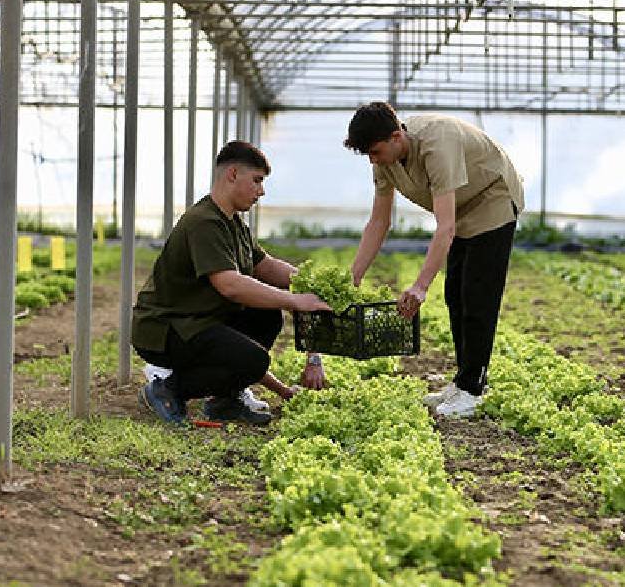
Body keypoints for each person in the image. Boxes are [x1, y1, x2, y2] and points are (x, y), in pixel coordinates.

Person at [132, 140, 332, 426]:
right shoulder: (204, 222)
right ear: (233, 174)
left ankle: (225, 400)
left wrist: (311, 283)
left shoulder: (233, 222)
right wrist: (295, 301)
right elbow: (230, 285)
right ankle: (169, 389)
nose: (261, 191)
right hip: (167, 329)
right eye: (257, 181)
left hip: (198, 322)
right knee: (252, 361)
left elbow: (266, 266)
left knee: (266, 317)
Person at [345, 102, 523, 418]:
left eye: (375, 152)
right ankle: (464, 381)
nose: (373, 160)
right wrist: (354, 276)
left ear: (396, 137)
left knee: (477, 295)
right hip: (462, 209)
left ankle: (473, 389)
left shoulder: (437, 143)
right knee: (455, 295)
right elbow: (379, 222)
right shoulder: (384, 161)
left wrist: (420, 286)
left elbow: (445, 227)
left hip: (492, 199)